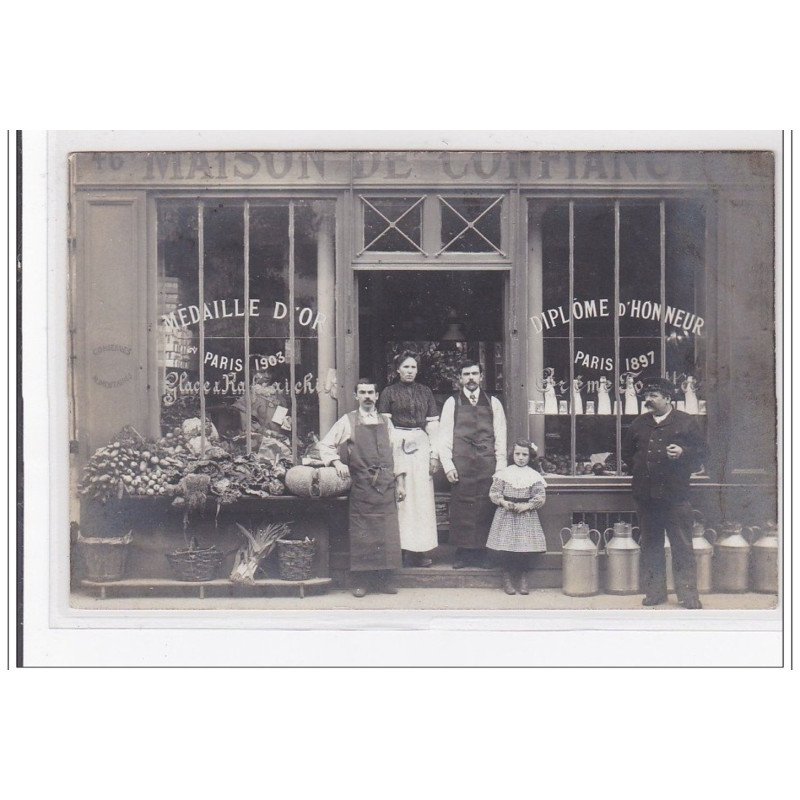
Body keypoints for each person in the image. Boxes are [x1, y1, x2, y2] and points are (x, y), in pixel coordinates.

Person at [621, 377, 707, 609]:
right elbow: (627, 454)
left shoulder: (686, 422)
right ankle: (655, 593)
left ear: (668, 398)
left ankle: (688, 596)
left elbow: (703, 453)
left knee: (682, 545)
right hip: (646, 497)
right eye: (646, 395)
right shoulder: (639, 423)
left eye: (653, 396)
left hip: (676, 496)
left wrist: (683, 452)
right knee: (650, 545)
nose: (647, 400)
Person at [318, 378, 407, 597]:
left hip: (386, 485)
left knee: (387, 533)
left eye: (371, 392)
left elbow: (397, 453)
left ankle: (384, 581)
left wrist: (401, 483)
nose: (367, 396)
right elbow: (325, 444)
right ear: (357, 396)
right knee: (363, 535)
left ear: (377, 396)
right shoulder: (347, 421)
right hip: (362, 486)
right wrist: (337, 463)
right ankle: (362, 582)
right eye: (363, 392)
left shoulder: (387, 423)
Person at [437, 360, 507, 569]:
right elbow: (444, 437)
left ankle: (482, 553)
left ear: (481, 376)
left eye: (474, 374)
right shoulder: (452, 403)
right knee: (462, 506)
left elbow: (501, 436)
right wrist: (448, 466)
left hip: (487, 463)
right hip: (462, 463)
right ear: (460, 378)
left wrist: (500, 468)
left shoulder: (493, 402)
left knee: (486, 506)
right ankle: (463, 553)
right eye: (466, 374)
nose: (470, 378)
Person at [377, 351, 440, 567]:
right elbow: (386, 426)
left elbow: (433, 425)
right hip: (398, 444)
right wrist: (396, 444)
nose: (410, 371)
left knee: (421, 500)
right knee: (402, 498)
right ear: (398, 370)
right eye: (405, 367)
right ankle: (401, 550)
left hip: (421, 446)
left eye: (413, 367)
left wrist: (434, 455)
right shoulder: (388, 393)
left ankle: (419, 551)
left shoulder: (425, 392)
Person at [487, 440, 547, 595]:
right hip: (506, 514)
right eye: (517, 454)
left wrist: (527, 506)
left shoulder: (534, 476)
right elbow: (494, 492)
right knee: (506, 548)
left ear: (530, 456)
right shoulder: (504, 474)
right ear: (512, 455)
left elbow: (540, 497)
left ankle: (523, 578)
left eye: (524, 454)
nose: (520, 457)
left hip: (525, 514)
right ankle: (507, 578)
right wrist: (503, 502)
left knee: (524, 549)